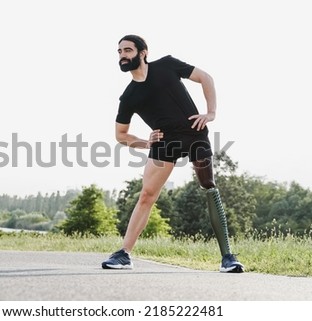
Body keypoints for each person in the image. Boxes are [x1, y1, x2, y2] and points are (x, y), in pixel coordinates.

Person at [101, 34, 244, 273]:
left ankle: (227, 256)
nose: (122, 56)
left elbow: (205, 77)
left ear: (143, 52)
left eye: (127, 50)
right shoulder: (129, 96)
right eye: (119, 52)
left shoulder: (167, 65)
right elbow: (121, 135)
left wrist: (210, 113)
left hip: (194, 132)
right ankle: (124, 254)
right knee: (147, 195)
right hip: (164, 141)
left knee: (208, 185)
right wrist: (145, 143)